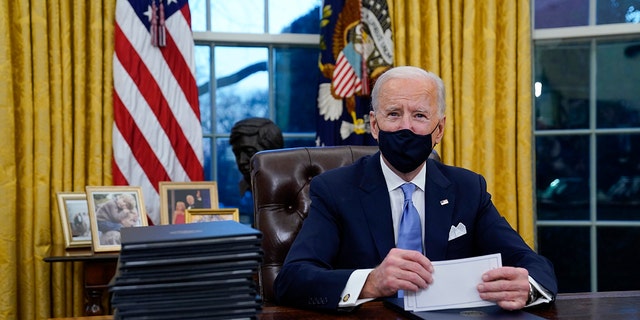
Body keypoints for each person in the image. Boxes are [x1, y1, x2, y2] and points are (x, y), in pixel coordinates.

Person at [273, 66, 558, 311]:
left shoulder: (467, 188)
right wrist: (371, 282)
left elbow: (531, 263)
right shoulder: (335, 189)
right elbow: (293, 279)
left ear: (440, 129)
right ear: (374, 125)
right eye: (394, 114)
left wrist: (528, 288)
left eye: (420, 116)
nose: (405, 127)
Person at [230, 117, 284, 225]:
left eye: (249, 152)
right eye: (237, 154)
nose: (241, 161)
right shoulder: (235, 192)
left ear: (272, 153)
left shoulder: (293, 190)